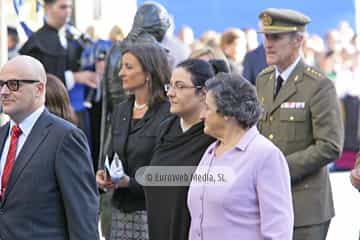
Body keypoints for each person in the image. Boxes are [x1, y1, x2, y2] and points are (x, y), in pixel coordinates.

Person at [256, 8, 344, 240]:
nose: (268, 43)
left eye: (276, 37)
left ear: (298, 40)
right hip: (267, 202)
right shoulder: (263, 80)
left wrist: (279, 169)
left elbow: (330, 145)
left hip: (304, 207)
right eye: (265, 36)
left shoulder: (318, 85)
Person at [0, 55, 99, 239]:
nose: (4, 91)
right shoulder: (2, 135)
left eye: (13, 84)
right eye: (1, 84)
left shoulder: (65, 138)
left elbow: (82, 217)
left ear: (39, 89)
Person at [188, 73, 294, 239]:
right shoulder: (210, 152)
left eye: (207, 108)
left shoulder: (265, 155)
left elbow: (278, 230)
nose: (201, 115)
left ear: (227, 112)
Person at [96, 43, 171, 240]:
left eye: (128, 67)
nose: (121, 73)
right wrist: (104, 176)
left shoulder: (168, 113)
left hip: (152, 214)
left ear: (148, 72)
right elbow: (112, 155)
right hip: (120, 212)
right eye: (122, 66)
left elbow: (167, 172)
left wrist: (131, 183)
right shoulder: (121, 110)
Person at [144, 59, 215, 240]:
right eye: (170, 86)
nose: (171, 93)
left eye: (180, 86)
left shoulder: (213, 136)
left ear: (202, 93)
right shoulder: (165, 128)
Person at [99, 2, 170, 168]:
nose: (121, 73)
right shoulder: (155, 51)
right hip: (128, 121)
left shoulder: (116, 48)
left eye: (128, 67)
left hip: (122, 125)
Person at [19, 0, 97, 140]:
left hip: (78, 111)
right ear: (48, 8)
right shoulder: (35, 45)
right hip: (51, 113)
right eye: (62, 7)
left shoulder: (74, 38)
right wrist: (75, 77)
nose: (67, 11)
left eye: (69, 7)